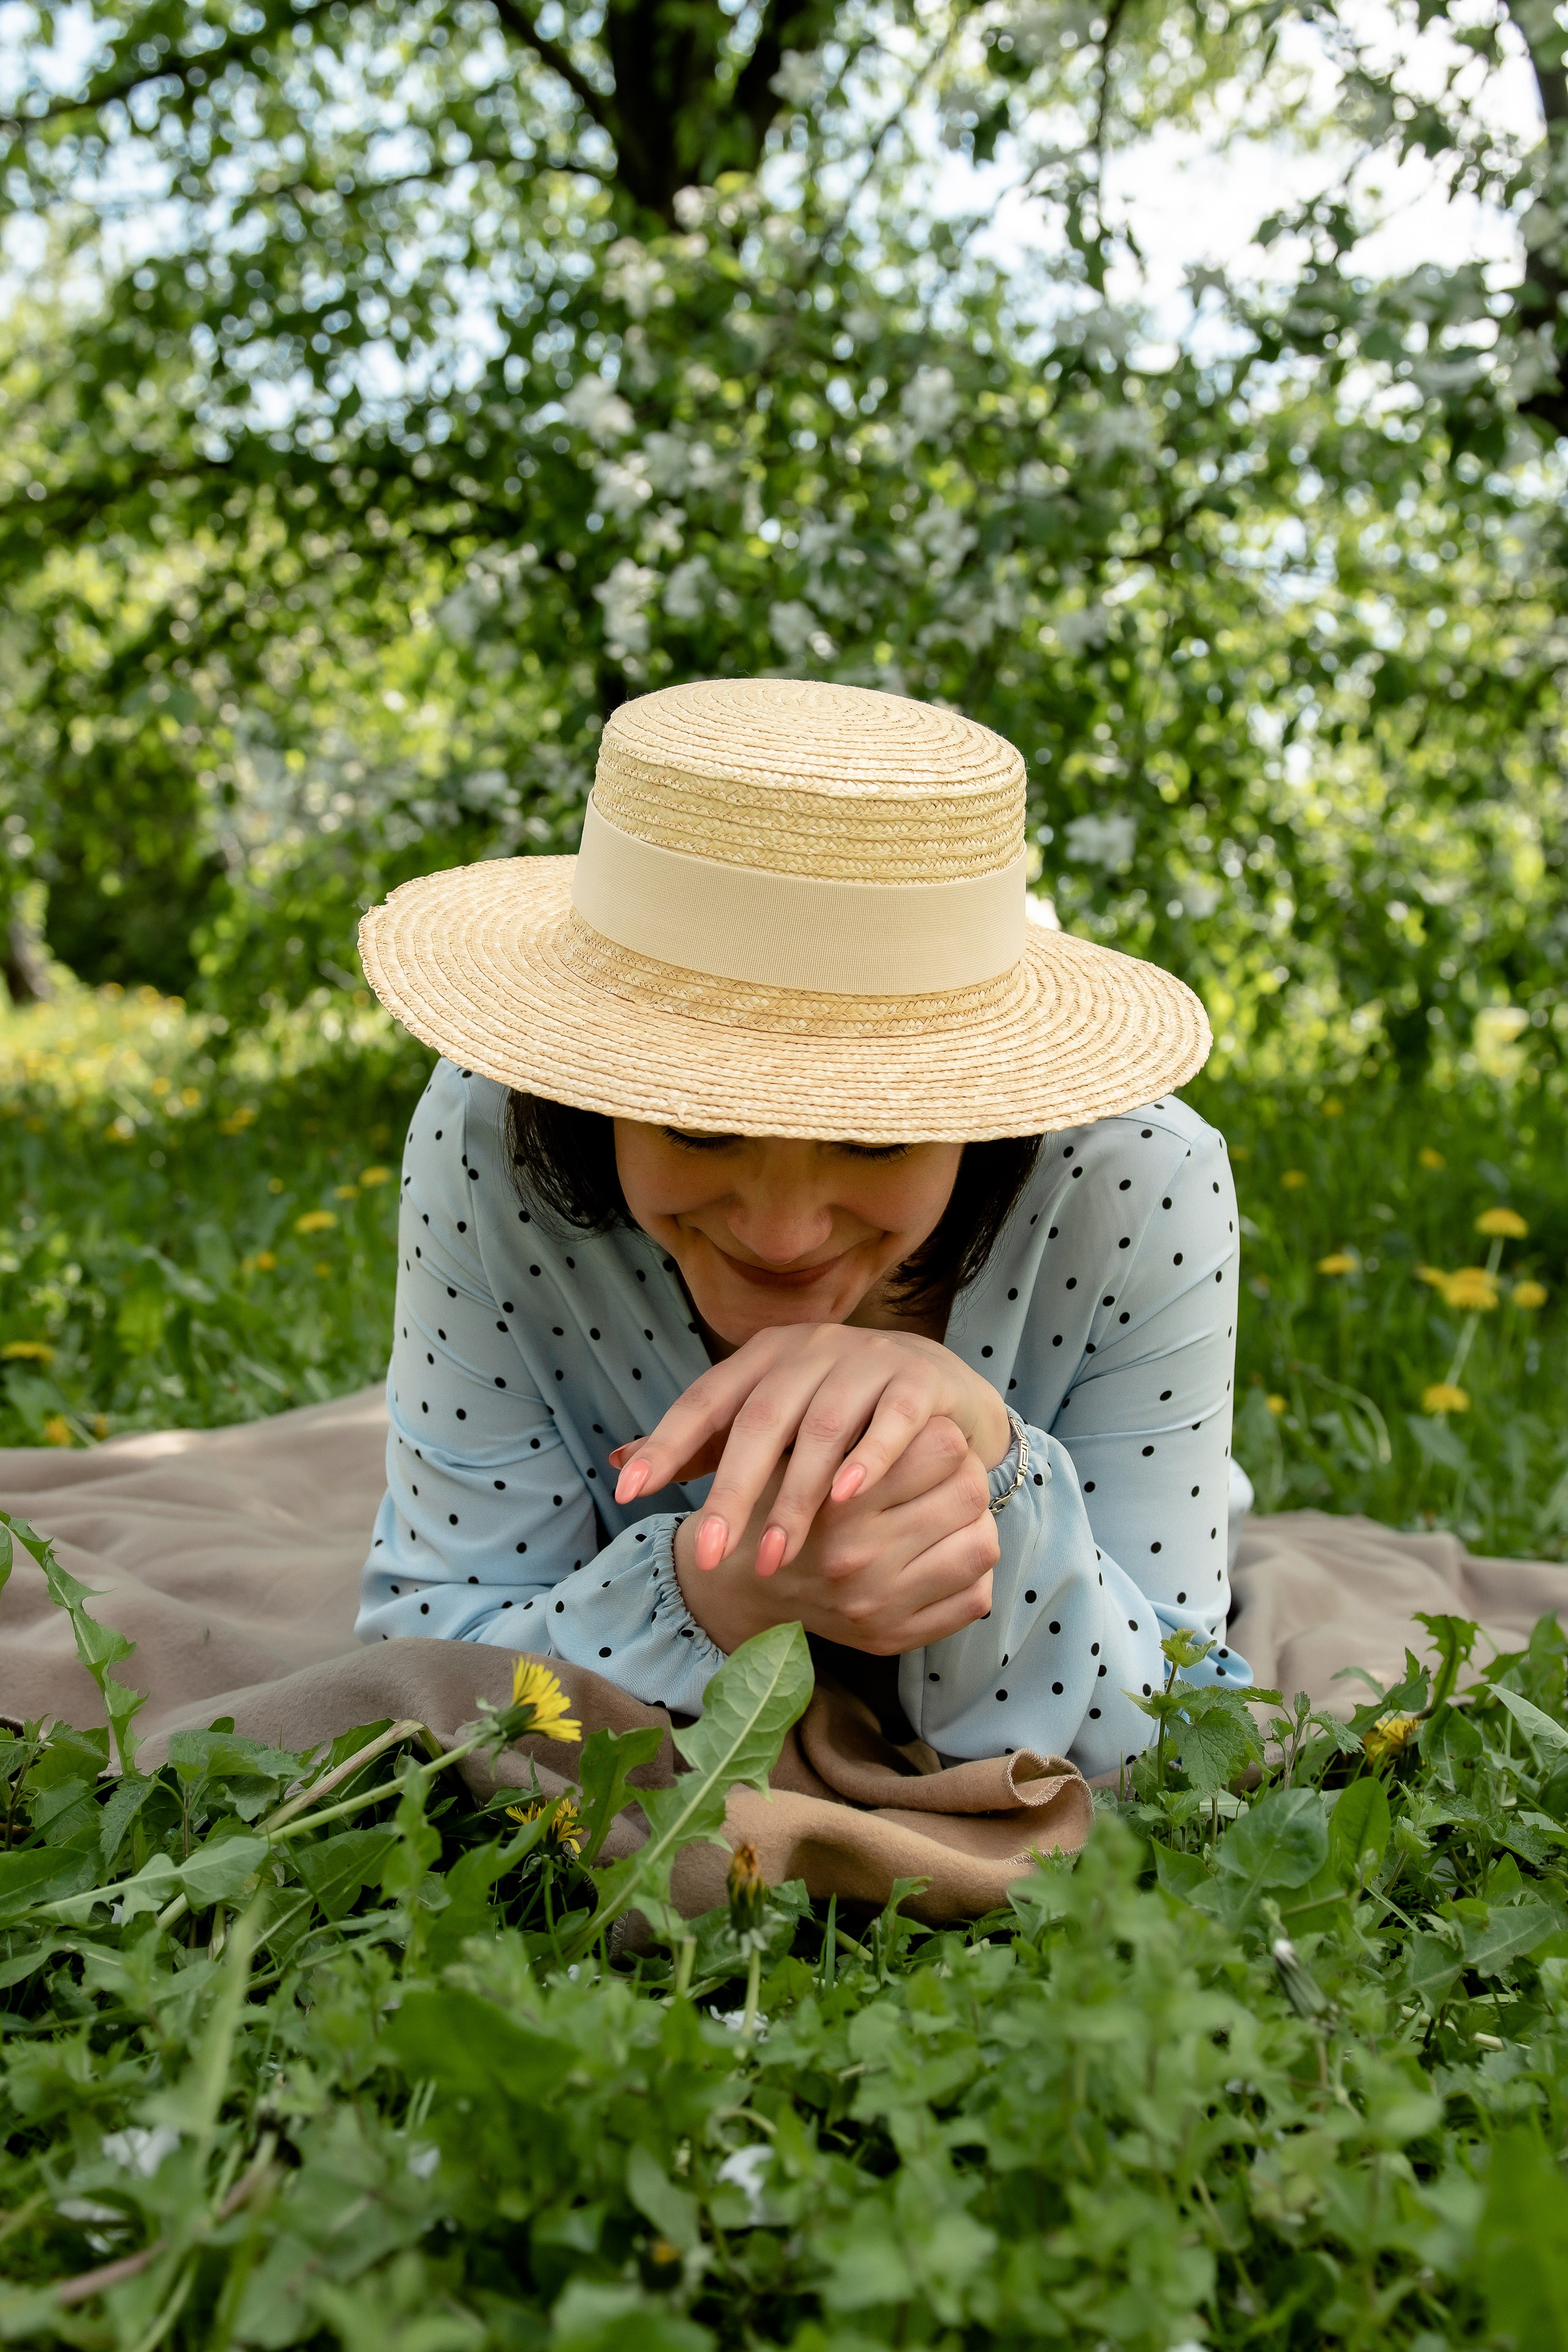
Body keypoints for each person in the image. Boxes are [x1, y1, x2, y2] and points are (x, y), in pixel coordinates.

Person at [355, 676, 1252, 1776]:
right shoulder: (489, 1140)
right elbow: (425, 1667)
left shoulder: (1139, 1186)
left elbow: (1187, 1736)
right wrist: (707, 1594)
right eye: (698, 1125)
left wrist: (991, 1479)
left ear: (984, 1118)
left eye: (874, 1141)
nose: (780, 1236)